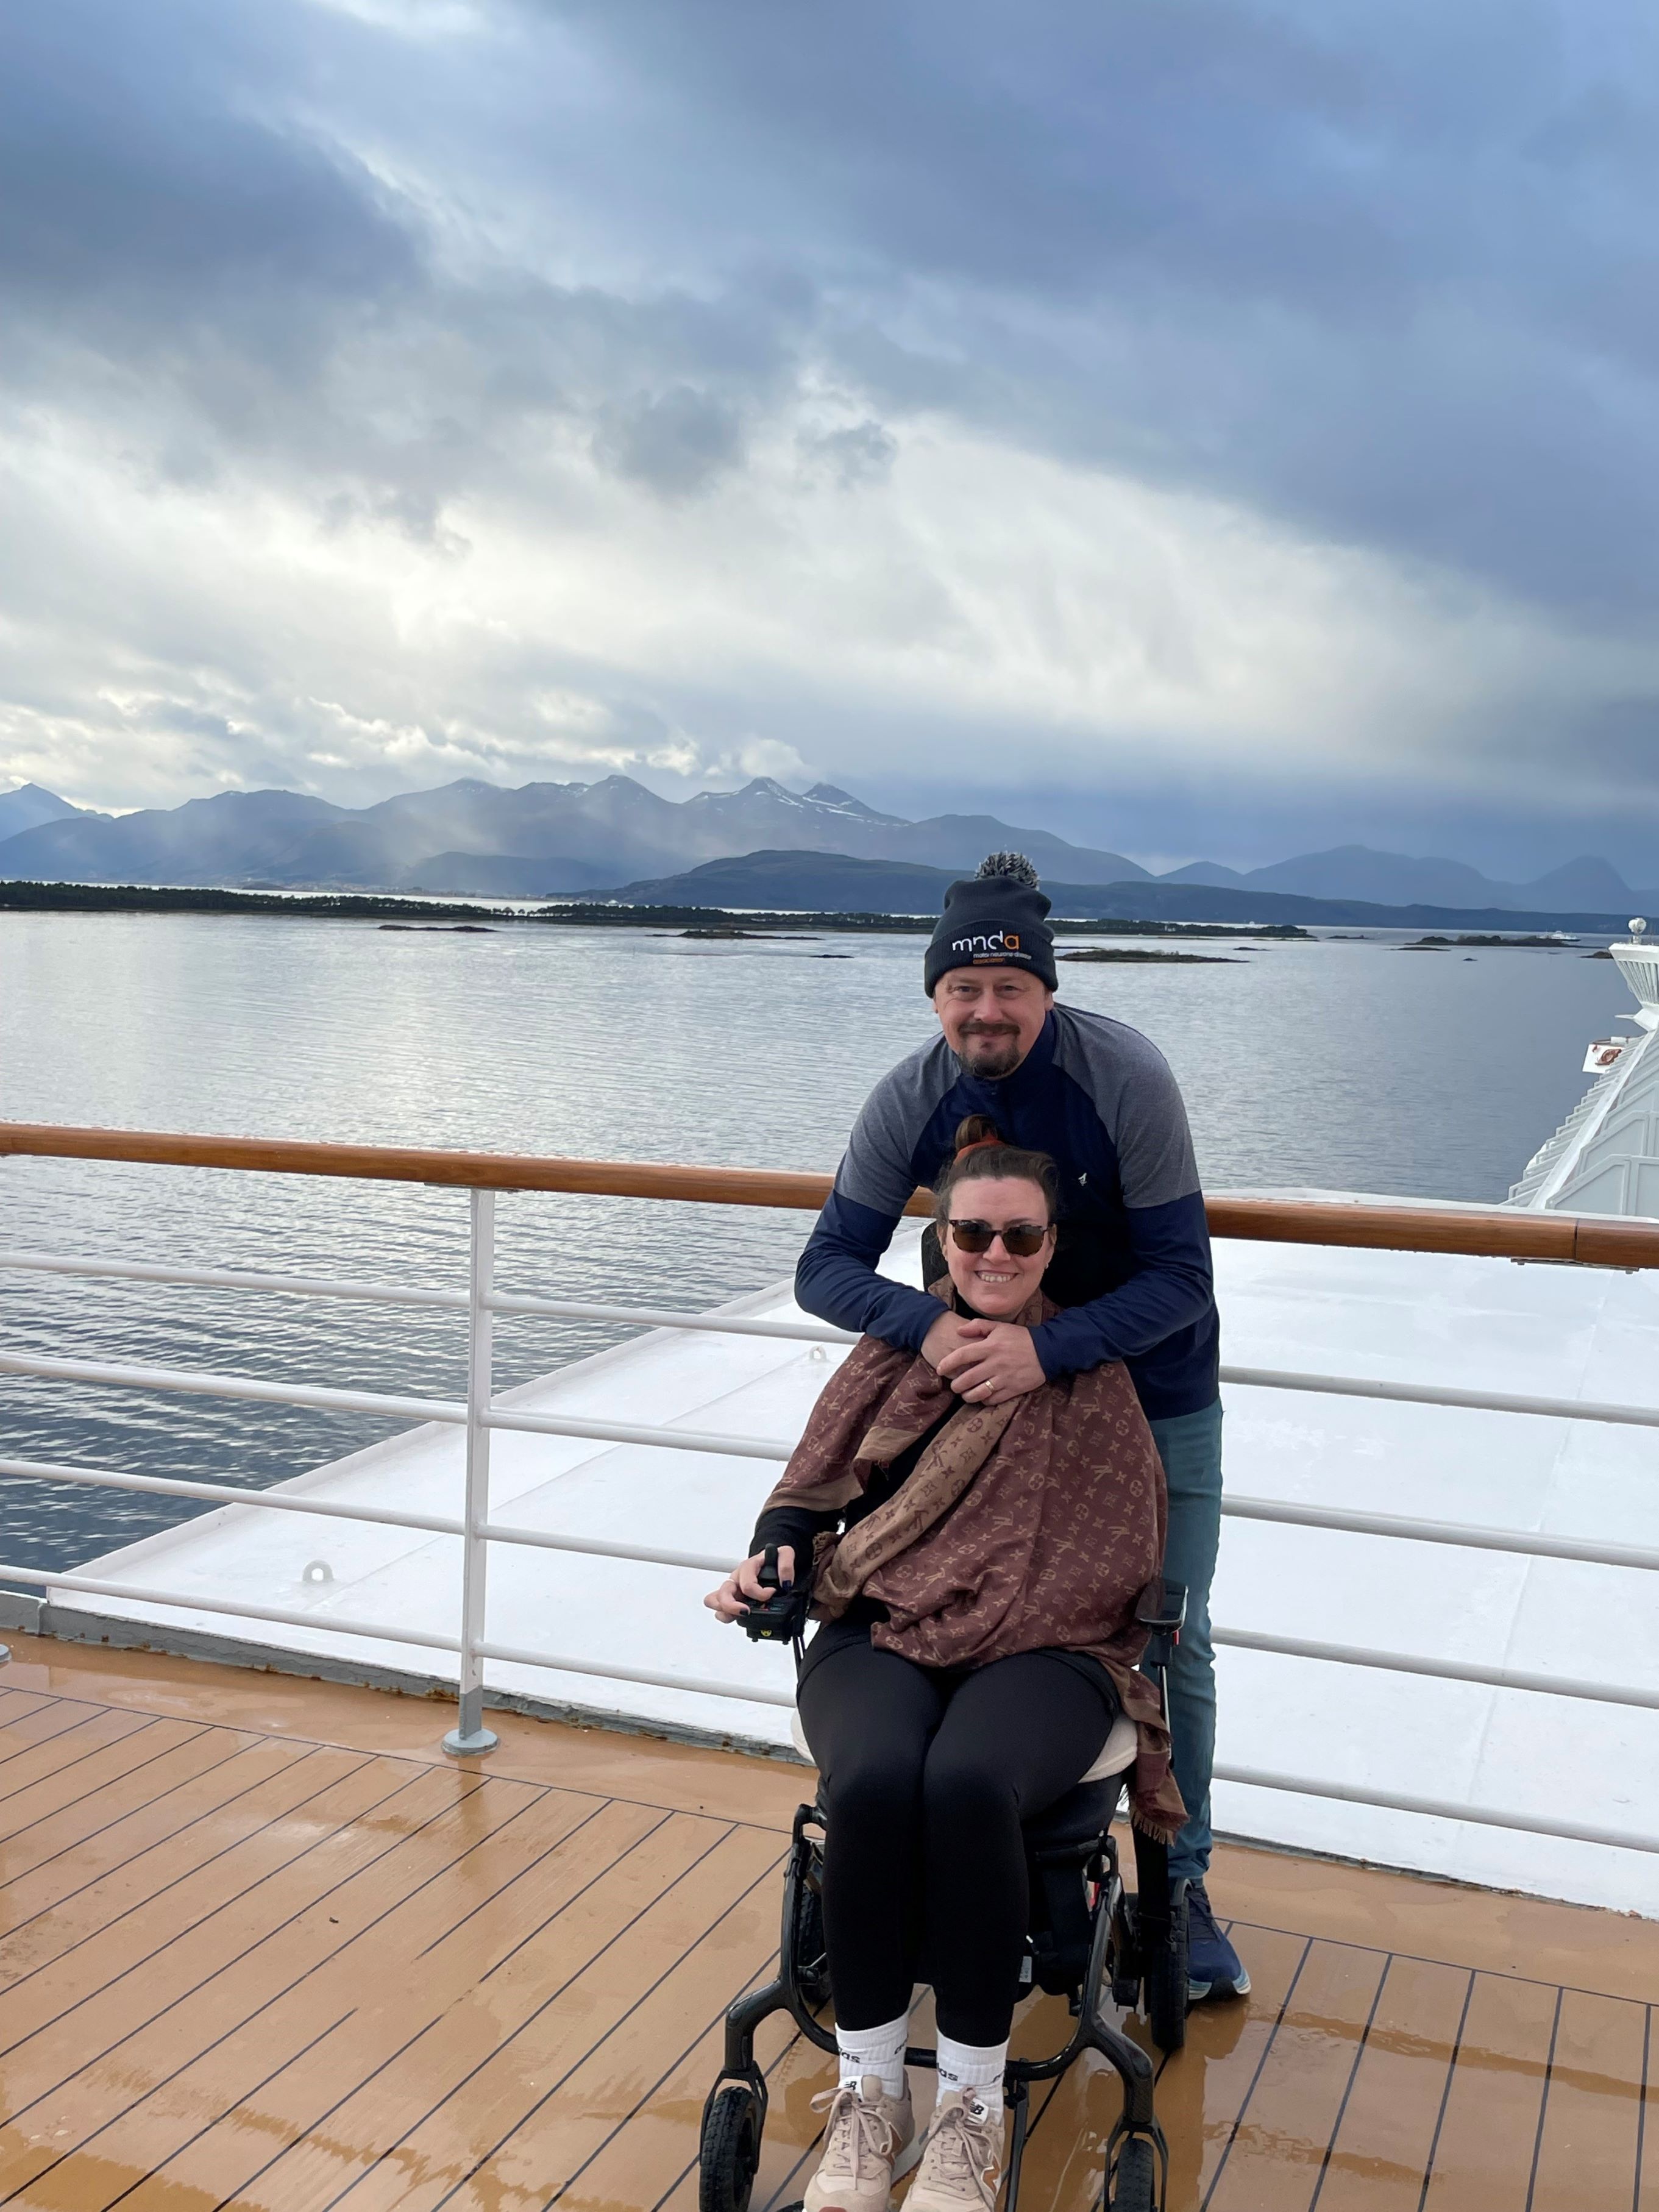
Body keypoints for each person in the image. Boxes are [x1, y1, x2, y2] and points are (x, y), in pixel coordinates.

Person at [794, 852, 1246, 2007]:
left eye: (1010, 988)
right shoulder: (909, 1095)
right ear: (934, 995)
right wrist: (933, 1330)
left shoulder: (1123, 1076)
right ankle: (965, 1851)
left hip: (1149, 1397)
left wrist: (1049, 1349)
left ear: (1047, 990)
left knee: (1166, 1637)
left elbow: (1181, 1276)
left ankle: (1178, 1884)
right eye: (963, 989)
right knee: (948, 1605)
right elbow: (825, 1265)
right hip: (978, 1394)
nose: (985, 1010)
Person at [707, 1133, 1182, 2212]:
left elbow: (1124, 1550)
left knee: (967, 1783)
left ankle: (971, 2111)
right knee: (875, 1780)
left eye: (1020, 1235)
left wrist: (1016, 1601)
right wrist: (770, 1560)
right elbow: (805, 1495)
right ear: (943, 1239)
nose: (995, 1253)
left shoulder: (1089, 1374)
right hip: (881, 1622)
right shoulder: (891, 1352)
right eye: (973, 1231)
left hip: (1047, 1645)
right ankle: (869, 2099)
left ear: (1051, 1244)